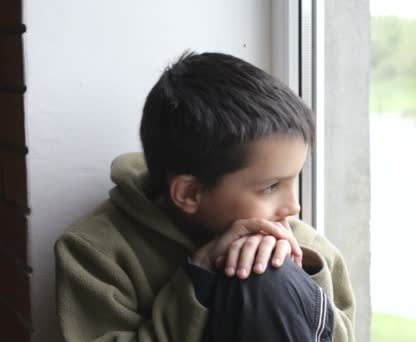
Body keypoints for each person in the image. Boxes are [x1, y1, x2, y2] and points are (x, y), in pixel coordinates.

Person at [55, 51, 355, 342]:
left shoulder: (301, 240)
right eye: (271, 186)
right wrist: (199, 275)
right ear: (190, 192)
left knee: (269, 273)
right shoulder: (94, 252)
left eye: (294, 179)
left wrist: (297, 273)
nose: (293, 206)